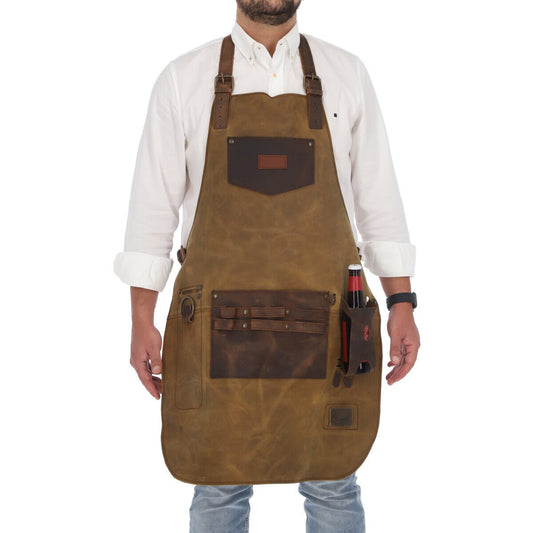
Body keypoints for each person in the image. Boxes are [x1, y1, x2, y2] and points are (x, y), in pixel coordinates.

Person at [113, 1, 421, 531]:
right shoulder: (183, 79)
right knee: (217, 484)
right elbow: (151, 211)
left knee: (333, 480)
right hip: (215, 333)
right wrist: (142, 318)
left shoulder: (346, 74)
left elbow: (379, 200)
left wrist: (402, 302)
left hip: (328, 329)